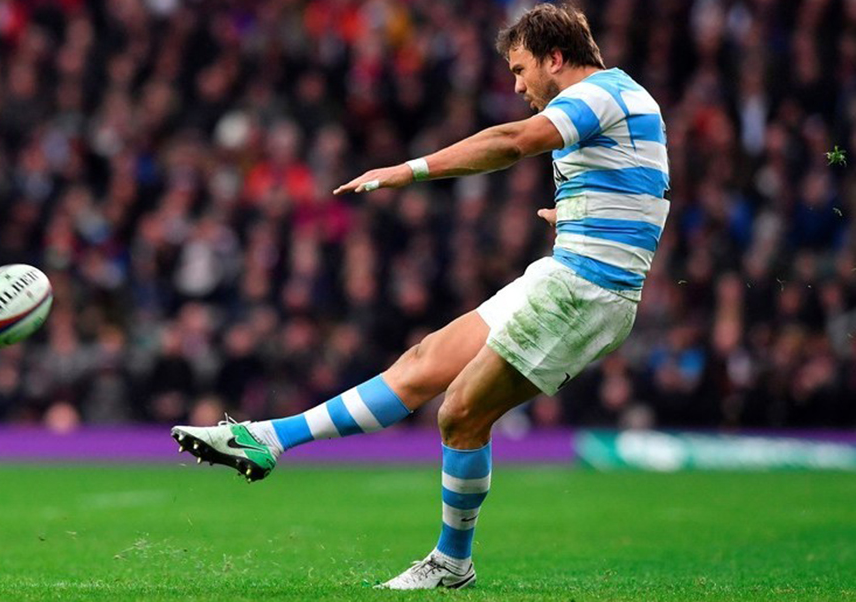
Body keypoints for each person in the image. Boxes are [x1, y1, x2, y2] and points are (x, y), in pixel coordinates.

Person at [172, 3, 668, 590]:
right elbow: (646, 189)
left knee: (459, 413)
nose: (517, 86)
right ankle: (268, 439)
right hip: (567, 272)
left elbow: (513, 142)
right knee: (422, 363)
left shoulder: (601, 93)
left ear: (555, 58)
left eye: (520, 69)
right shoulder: (620, 101)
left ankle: (451, 563)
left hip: (586, 288)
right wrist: (583, 219)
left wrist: (410, 170)